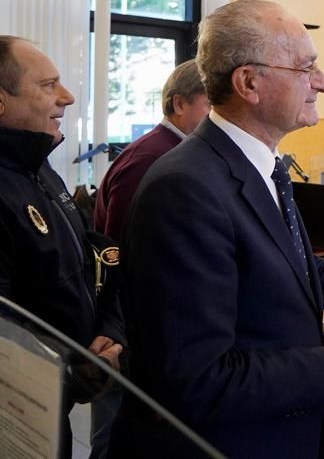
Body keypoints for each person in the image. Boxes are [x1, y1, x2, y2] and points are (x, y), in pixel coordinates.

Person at [113, 0, 324, 458]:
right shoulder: (186, 189)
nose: (323, 82)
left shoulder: (259, 168)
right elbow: (197, 377)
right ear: (249, 82)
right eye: (307, 67)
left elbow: (292, 275)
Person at [0, 35, 125, 458]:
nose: (68, 98)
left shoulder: (40, 170)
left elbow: (95, 262)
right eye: (48, 85)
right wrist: (71, 373)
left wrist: (110, 332)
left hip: (53, 412)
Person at [87, 60, 208, 459]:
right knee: (114, 437)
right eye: (211, 104)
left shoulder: (169, 152)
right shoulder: (152, 158)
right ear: (179, 104)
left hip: (136, 324)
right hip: (129, 328)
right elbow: (125, 248)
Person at [94, 59, 209, 243]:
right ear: (179, 104)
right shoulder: (147, 159)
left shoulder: (175, 150)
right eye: (211, 105)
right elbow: (121, 245)